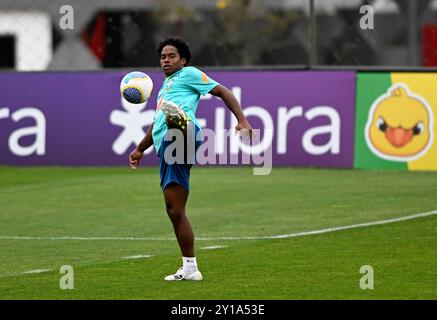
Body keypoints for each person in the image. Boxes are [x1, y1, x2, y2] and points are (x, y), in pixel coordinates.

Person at [129, 36, 253, 281]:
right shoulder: (164, 89)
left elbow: (222, 91)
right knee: (175, 210)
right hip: (166, 144)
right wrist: (140, 149)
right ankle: (190, 269)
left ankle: (182, 123)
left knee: (177, 124)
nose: (166, 60)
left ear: (183, 60)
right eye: (163, 56)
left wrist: (242, 119)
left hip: (182, 136)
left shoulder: (188, 74)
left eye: (171, 55)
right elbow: (155, 125)